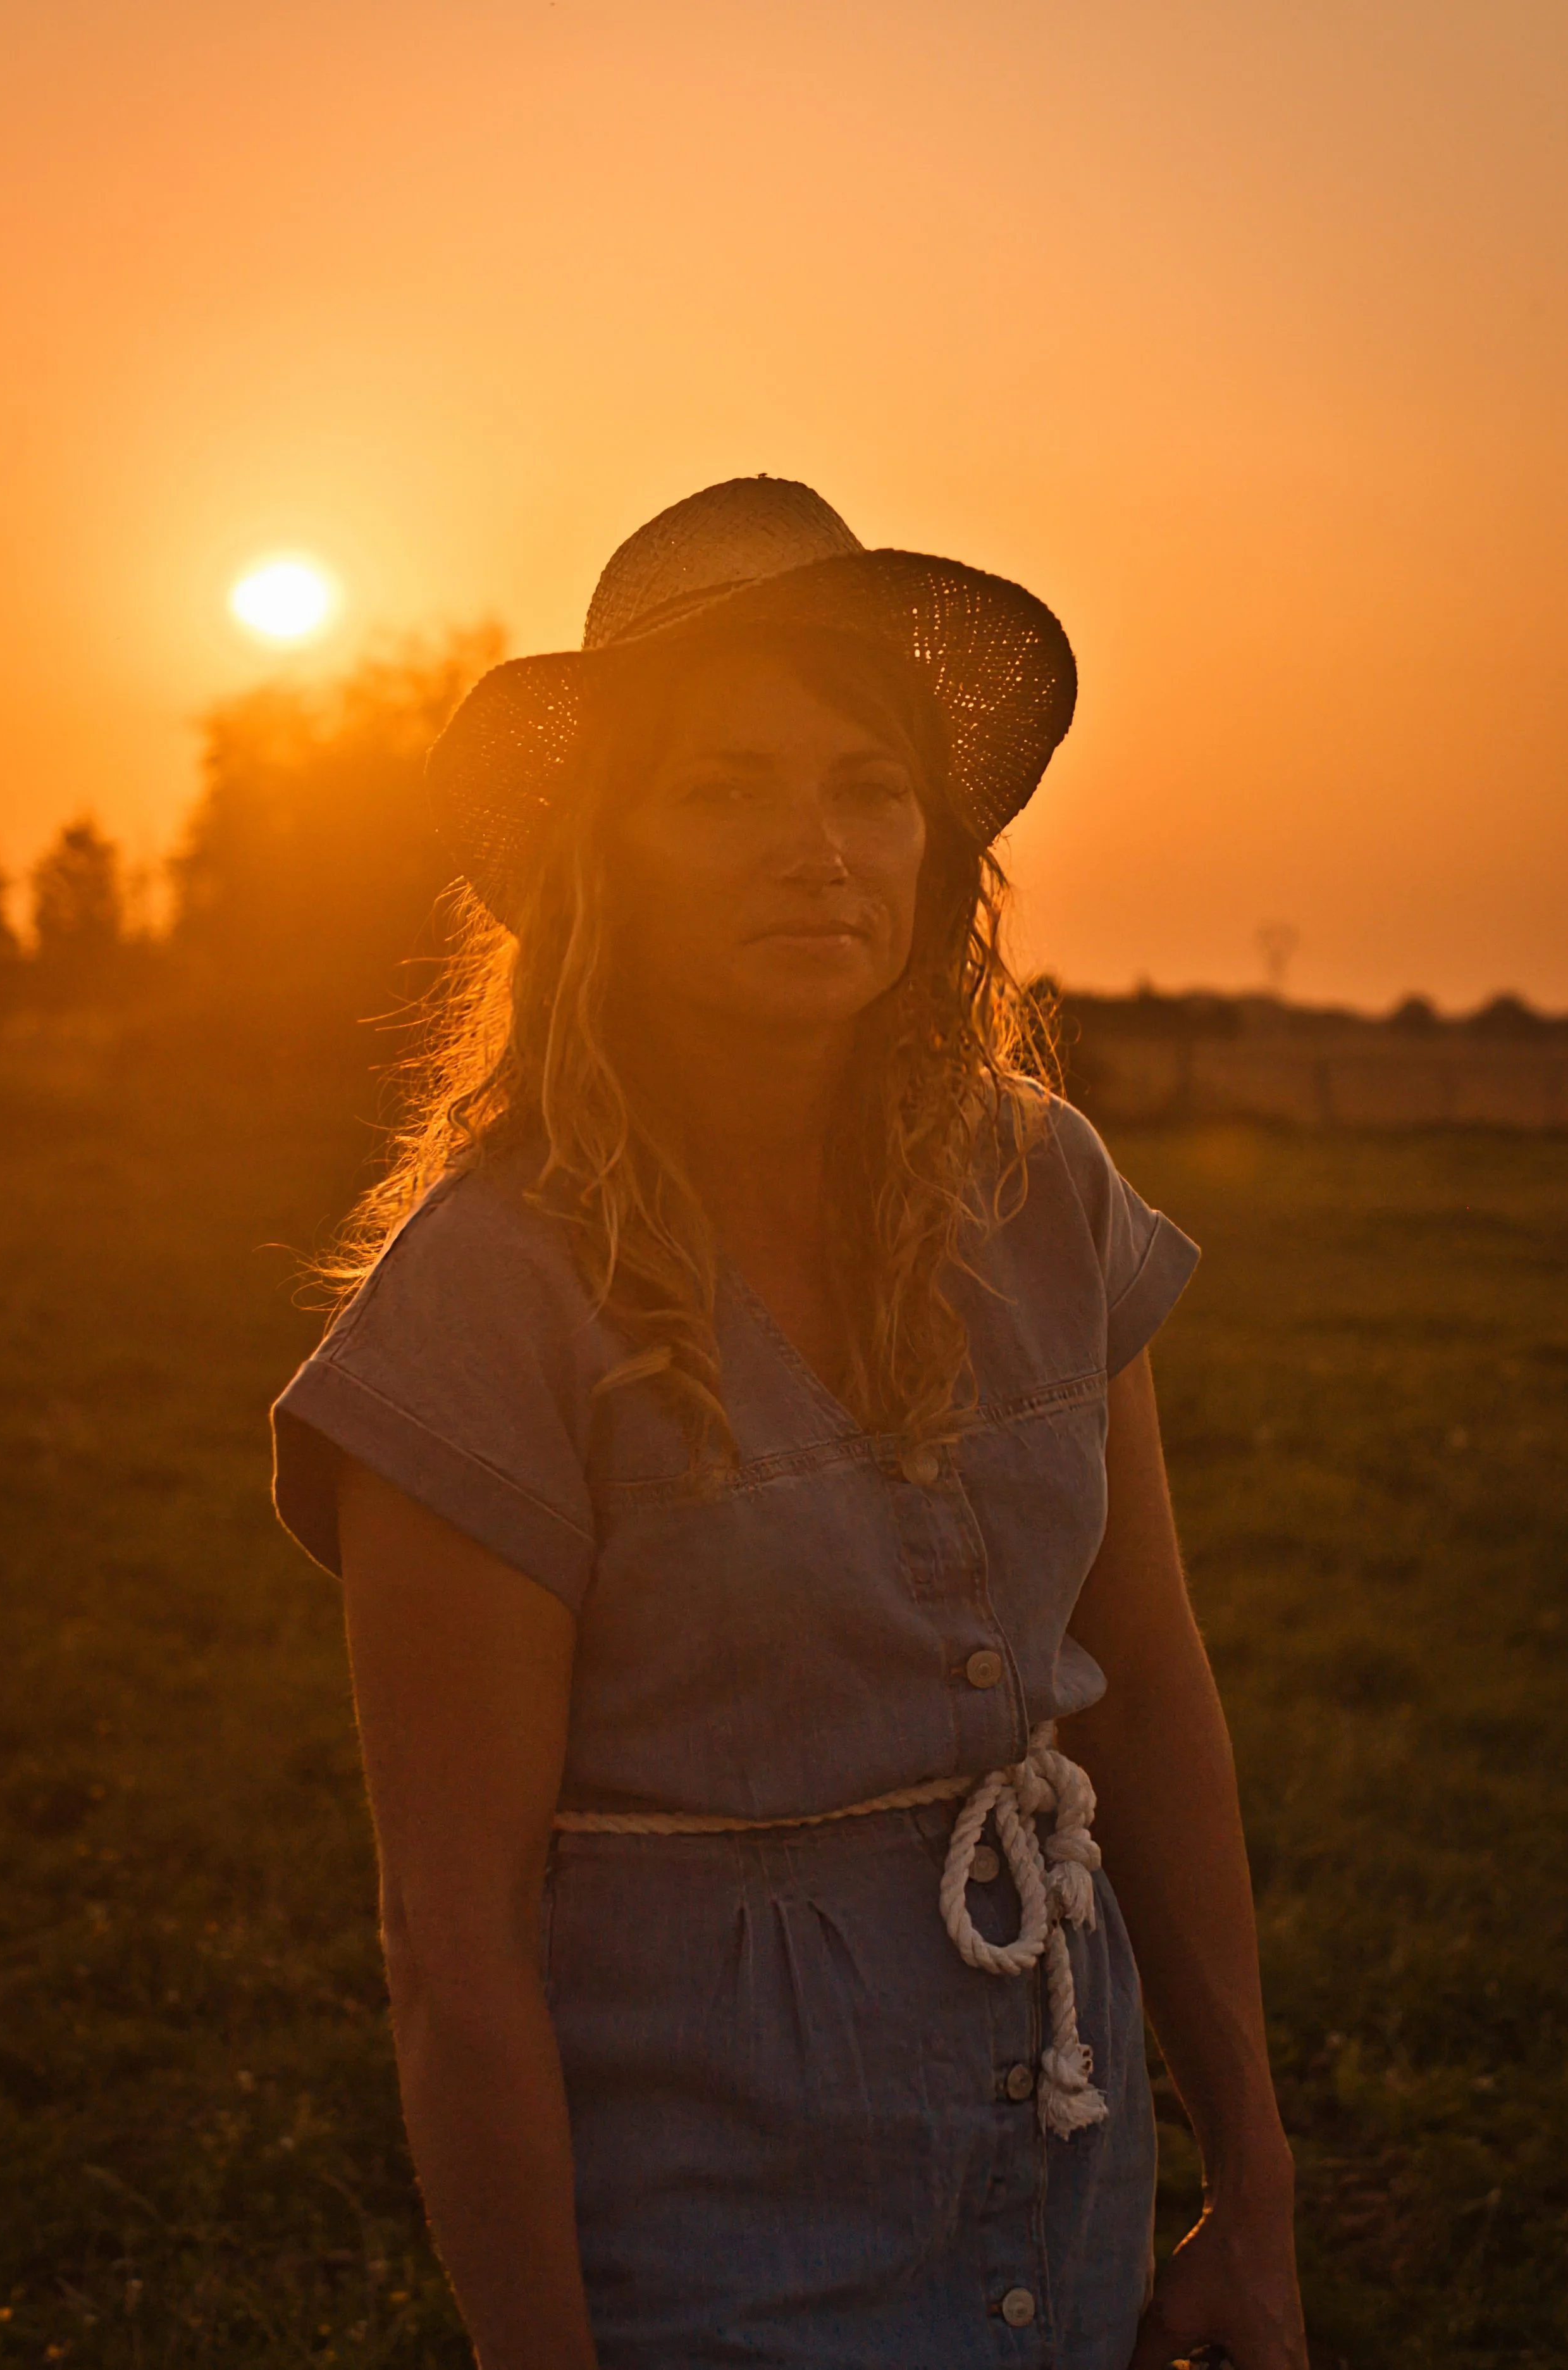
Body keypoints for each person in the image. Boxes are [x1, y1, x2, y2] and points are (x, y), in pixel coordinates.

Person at [272, 476, 1308, 2370]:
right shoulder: (493, 1295)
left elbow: (1147, 1691)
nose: (813, 848)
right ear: (603, 857)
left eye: (864, 785)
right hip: (709, 2248)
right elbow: (456, 1945)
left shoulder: (1043, 1193)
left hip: (1055, 2180)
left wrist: (1250, 2191)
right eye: (721, 789)